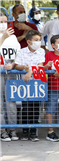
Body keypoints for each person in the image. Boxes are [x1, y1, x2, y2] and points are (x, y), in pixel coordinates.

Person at [15, 30, 45, 141]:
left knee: (36, 108)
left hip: (37, 84)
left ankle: (33, 132)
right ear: (29, 42)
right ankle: (24, 131)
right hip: (24, 85)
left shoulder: (41, 51)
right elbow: (17, 65)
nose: (38, 42)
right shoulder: (22, 52)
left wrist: (30, 72)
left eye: (39, 40)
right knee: (26, 108)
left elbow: (40, 65)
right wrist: (24, 67)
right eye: (36, 40)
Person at [0, 11, 20, 142]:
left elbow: (18, 54)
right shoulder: (6, 36)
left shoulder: (13, 37)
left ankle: (12, 128)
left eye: (5, 22)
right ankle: (2, 130)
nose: (3, 25)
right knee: (0, 103)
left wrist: (13, 64)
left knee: (11, 101)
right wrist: (2, 38)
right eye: (0, 22)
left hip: (10, 72)